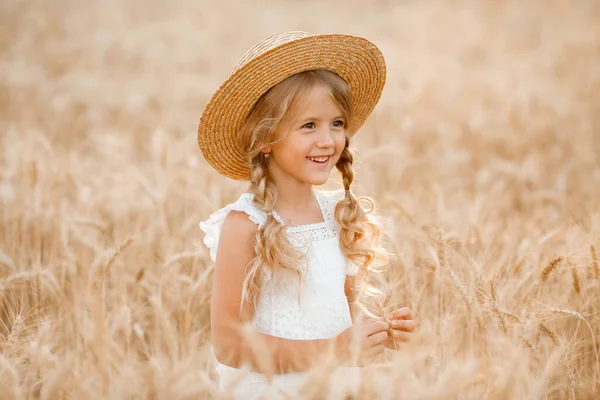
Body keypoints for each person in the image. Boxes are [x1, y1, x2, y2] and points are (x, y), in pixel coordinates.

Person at [197, 31, 415, 399]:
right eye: (308, 125)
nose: (328, 141)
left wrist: (377, 331)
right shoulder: (245, 225)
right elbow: (230, 343)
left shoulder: (337, 214)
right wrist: (334, 350)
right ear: (266, 138)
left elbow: (341, 306)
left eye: (337, 123)